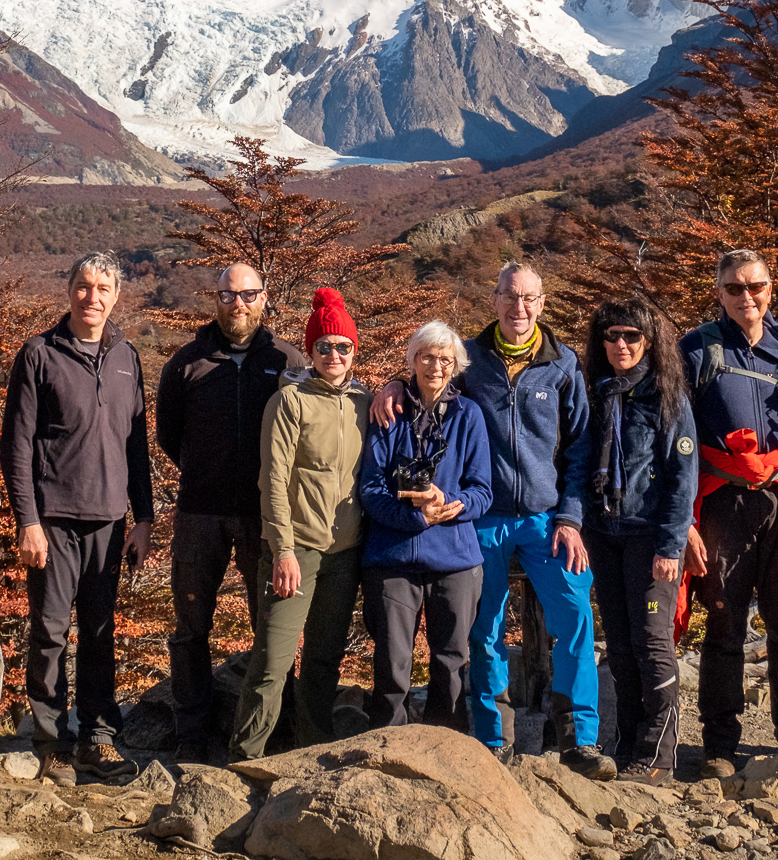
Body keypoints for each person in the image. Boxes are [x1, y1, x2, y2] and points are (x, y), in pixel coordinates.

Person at [376, 261, 611, 779]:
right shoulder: (471, 360)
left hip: (549, 519)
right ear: (495, 298)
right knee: (483, 628)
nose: (519, 307)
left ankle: (579, 739)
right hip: (481, 517)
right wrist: (392, 383)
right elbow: (428, 377)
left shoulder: (563, 365)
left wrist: (571, 519)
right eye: (510, 296)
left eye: (529, 298)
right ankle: (493, 737)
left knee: (574, 616)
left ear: (542, 303)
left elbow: (580, 451)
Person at [0, 253, 154, 786]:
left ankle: (96, 737)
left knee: (100, 632)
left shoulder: (126, 356)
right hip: (54, 519)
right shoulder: (40, 353)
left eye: (103, 287)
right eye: (84, 286)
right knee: (48, 631)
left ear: (116, 296)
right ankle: (48, 739)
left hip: (110, 521)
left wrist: (144, 518)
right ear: (69, 291)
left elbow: (137, 447)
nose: (93, 297)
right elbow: (15, 445)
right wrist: (28, 520)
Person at [679, 248, 778, 770]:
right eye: (734, 289)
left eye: (757, 287)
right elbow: (673, 441)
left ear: (771, 288)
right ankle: (719, 744)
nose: (747, 297)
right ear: (718, 292)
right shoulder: (697, 350)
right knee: (724, 622)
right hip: (722, 501)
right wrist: (681, 521)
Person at [155, 262, 307, 763]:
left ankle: (278, 729)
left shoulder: (287, 360)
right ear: (215, 299)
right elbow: (169, 438)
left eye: (247, 295)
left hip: (265, 516)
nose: (237, 303)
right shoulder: (185, 363)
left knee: (273, 626)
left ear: (264, 299)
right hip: (200, 514)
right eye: (227, 295)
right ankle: (191, 732)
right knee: (191, 626)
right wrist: (205, 472)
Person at [229, 287, 369, 761]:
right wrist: (282, 550)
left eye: (343, 346)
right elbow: (272, 480)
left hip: (345, 551)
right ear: (310, 351)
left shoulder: (365, 403)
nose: (334, 354)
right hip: (296, 550)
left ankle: (310, 751)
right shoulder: (290, 401)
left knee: (325, 660)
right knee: (272, 660)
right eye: (324, 346)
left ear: (354, 351)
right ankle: (245, 758)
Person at [581, 296, 699, 786]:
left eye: (632, 335)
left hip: (649, 536)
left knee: (652, 643)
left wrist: (671, 545)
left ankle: (659, 755)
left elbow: (682, 476)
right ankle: (627, 741)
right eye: (612, 335)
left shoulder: (666, 395)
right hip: (604, 534)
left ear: (650, 341)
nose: (621, 344)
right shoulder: (596, 391)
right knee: (622, 645)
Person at [356, 320, 493, 731]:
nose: (436, 366)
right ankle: (387, 745)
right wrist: (414, 516)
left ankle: (446, 745)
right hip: (392, 556)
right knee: (392, 661)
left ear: (456, 366)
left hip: (454, 557)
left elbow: (482, 491)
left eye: (445, 359)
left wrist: (451, 505)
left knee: (452, 660)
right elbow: (371, 487)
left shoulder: (469, 416)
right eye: (427, 357)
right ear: (412, 360)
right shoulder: (390, 412)